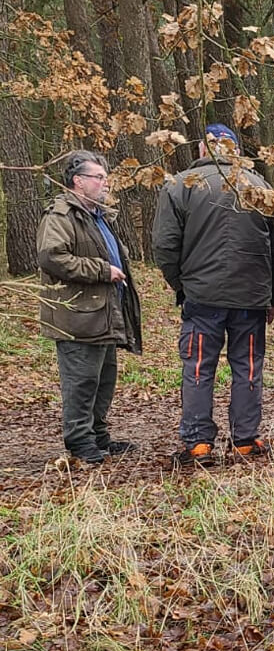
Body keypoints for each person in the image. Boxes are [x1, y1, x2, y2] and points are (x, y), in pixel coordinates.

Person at [153, 124, 274, 465]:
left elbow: (164, 245)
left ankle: (198, 443)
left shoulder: (180, 186)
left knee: (199, 367)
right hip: (250, 299)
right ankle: (244, 440)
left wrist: (182, 284)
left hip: (203, 298)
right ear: (237, 150)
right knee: (248, 367)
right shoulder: (259, 186)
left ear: (203, 149)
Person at [37, 150, 143, 464]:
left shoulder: (98, 215)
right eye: (98, 178)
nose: (104, 183)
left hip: (103, 312)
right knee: (81, 381)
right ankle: (79, 440)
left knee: (103, 380)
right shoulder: (60, 215)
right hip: (76, 316)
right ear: (78, 181)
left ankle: (98, 435)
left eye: (104, 177)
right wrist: (100, 270)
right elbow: (52, 257)